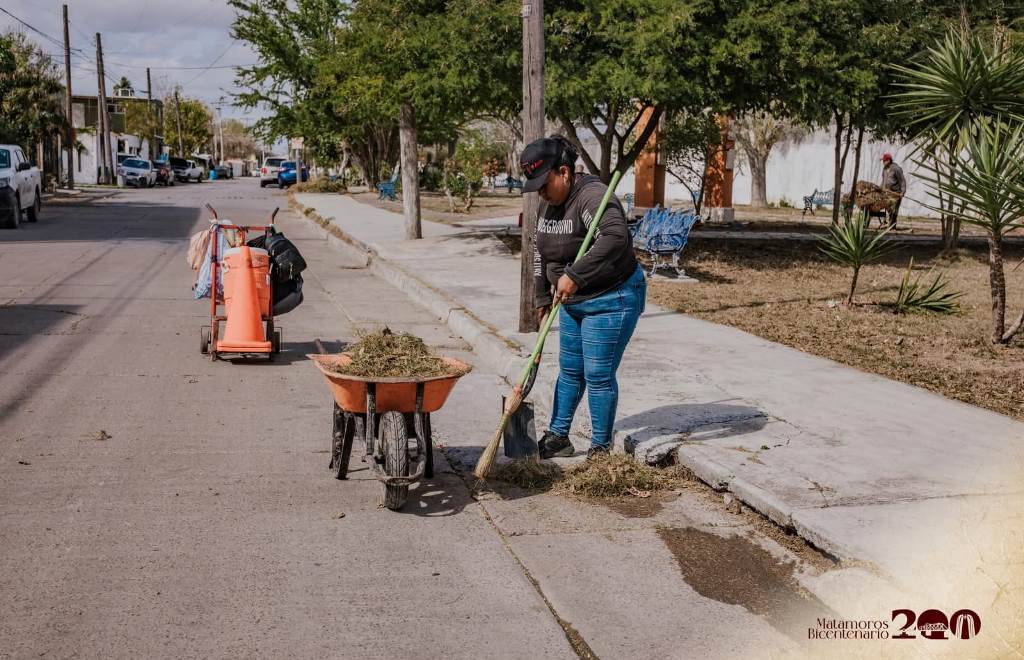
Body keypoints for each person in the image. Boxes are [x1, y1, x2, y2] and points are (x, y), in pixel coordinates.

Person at [520, 136, 647, 459]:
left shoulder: (592, 197)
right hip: (571, 301)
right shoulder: (547, 202)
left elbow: (615, 237)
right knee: (570, 370)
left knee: (598, 375)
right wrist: (541, 296)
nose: (541, 193)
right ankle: (558, 437)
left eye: (544, 184)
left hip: (610, 297)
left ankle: (600, 450)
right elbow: (539, 250)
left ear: (564, 172)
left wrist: (574, 275)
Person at [880, 152, 906, 228]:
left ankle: (892, 226)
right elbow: (883, 180)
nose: (883, 162)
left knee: (894, 210)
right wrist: (881, 188)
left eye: (884, 160)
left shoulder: (896, 169)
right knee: (888, 207)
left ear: (888, 160)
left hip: (896, 193)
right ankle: (890, 224)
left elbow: (902, 181)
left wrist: (903, 192)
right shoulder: (884, 169)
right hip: (887, 193)